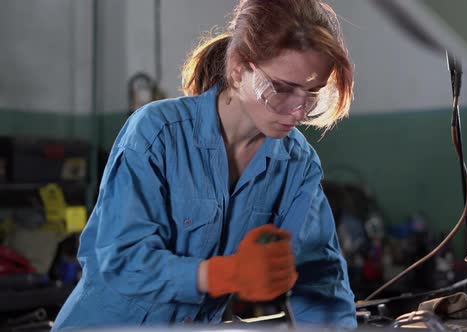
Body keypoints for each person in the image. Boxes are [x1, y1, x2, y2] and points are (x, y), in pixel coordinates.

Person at [53, 0, 356, 329]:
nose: (298, 111)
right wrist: (226, 274)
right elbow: (121, 260)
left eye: (313, 92)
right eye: (281, 88)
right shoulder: (157, 132)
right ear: (239, 68)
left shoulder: (297, 165)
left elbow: (319, 281)